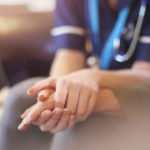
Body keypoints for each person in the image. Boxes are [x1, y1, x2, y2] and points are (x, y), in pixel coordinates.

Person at [0, 0, 150, 150]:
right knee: (19, 99)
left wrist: (93, 77)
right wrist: (55, 95)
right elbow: (68, 54)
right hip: (94, 80)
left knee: (83, 122)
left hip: (138, 90)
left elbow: (144, 74)